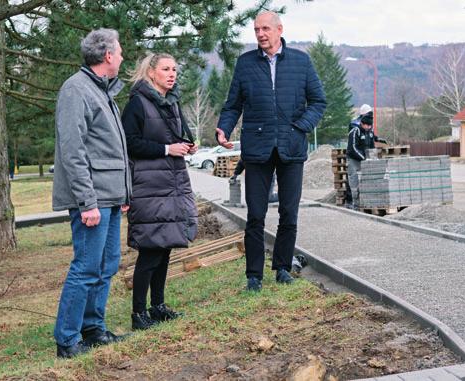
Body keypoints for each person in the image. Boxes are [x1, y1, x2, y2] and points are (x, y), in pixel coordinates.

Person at [216, 11, 326, 291]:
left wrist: (301, 126)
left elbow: (318, 101)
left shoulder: (301, 62)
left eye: (265, 29)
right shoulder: (245, 64)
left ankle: (283, 268)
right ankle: (254, 275)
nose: (261, 34)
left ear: (279, 29)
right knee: (255, 214)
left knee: (289, 213)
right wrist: (223, 129)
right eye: (256, 30)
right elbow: (232, 105)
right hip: (257, 148)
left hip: (291, 147)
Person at [52, 29, 131, 359]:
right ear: (108, 56)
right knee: (86, 267)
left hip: (110, 196)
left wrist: (122, 193)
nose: (123, 57)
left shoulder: (102, 91)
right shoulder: (76, 90)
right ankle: (67, 340)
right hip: (92, 199)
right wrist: (87, 202)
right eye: (120, 52)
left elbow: (108, 148)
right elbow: (73, 151)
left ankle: (93, 329)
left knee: (107, 264)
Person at [121, 53, 198, 330]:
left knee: (165, 247)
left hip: (170, 184)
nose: (172, 73)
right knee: (150, 250)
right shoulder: (137, 104)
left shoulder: (171, 103)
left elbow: (172, 138)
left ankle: (158, 306)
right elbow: (129, 143)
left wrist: (186, 145)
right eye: (166, 69)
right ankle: (138, 313)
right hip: (148, 187)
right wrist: (167, 149)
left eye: (174, 69)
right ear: (151, 72)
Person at [346, 104, 387, 209]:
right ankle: (352, 203)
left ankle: (365, 202)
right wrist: (364, 158)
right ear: (362, 123)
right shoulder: (355, 129)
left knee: (366, 182)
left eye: (370, 126)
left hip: (364, 159)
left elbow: (371, 145)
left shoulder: (369, 131)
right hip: (354, 159)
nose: (369, 128)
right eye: (367, 126)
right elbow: (352, 148)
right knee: (353, 183)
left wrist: (373, 158)